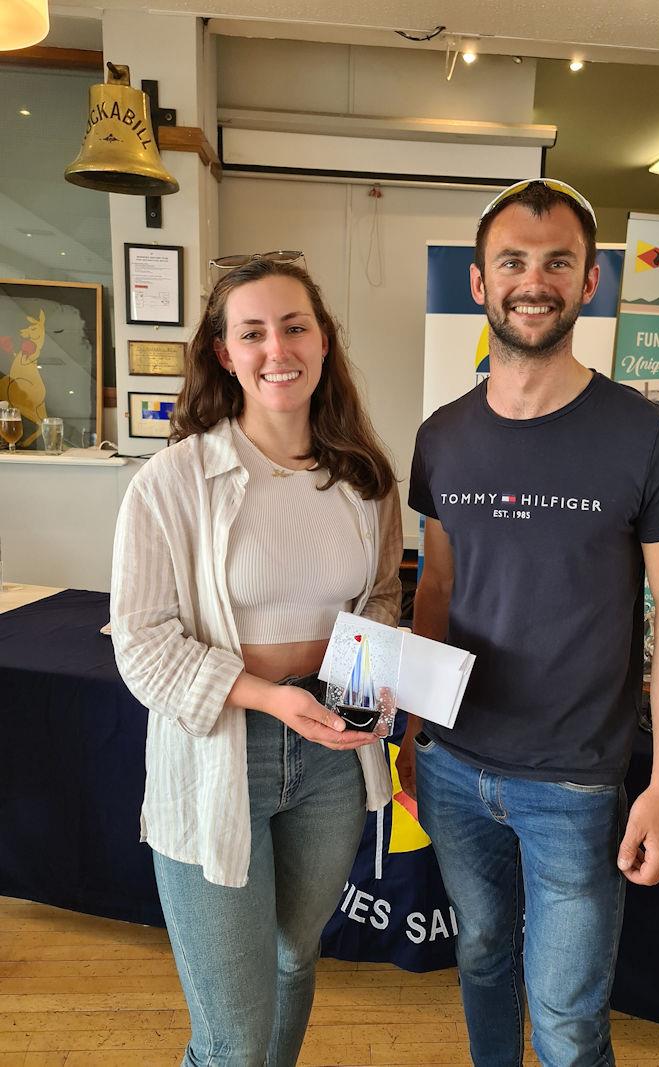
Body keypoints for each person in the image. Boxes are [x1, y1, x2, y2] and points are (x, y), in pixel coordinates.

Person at [397, 179, 659, 1067]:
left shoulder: (650, 437)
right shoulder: (442, 435)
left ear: (588, 284)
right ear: (478, 281)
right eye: (513, 261)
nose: (533, 280)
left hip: (574, 784)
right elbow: (437, 586)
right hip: (456, 768)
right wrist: (416, 727)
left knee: (569, 1017)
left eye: (557, 262)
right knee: (483, 958)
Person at [111, 255, 402, 1067]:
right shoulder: (172, 483)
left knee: (294, 956)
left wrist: (362, 687)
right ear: (224, 353)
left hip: (331, 760)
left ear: (323, 341)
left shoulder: (365, 479)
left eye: (296, 325)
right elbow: (140, 642)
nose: (279, 347)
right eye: (253, 331)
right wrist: (269, 699)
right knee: (231, 1040)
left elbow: (381, 597)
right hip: (218, 759)